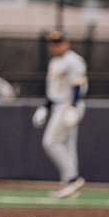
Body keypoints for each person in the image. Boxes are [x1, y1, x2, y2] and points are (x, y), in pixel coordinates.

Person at [32, 30, 88, 198]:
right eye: (53, 43)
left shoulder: (73, 60)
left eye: (59, 42)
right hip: (58, 105)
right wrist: (45, 107)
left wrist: (73, 106)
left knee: (51, 143)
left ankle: (73, 179)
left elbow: (77, 85)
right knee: (67, 145)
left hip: (67, 105)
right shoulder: (54, 62)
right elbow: (54, 89)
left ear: (67, 43)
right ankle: (69, 184)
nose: (55, 46)